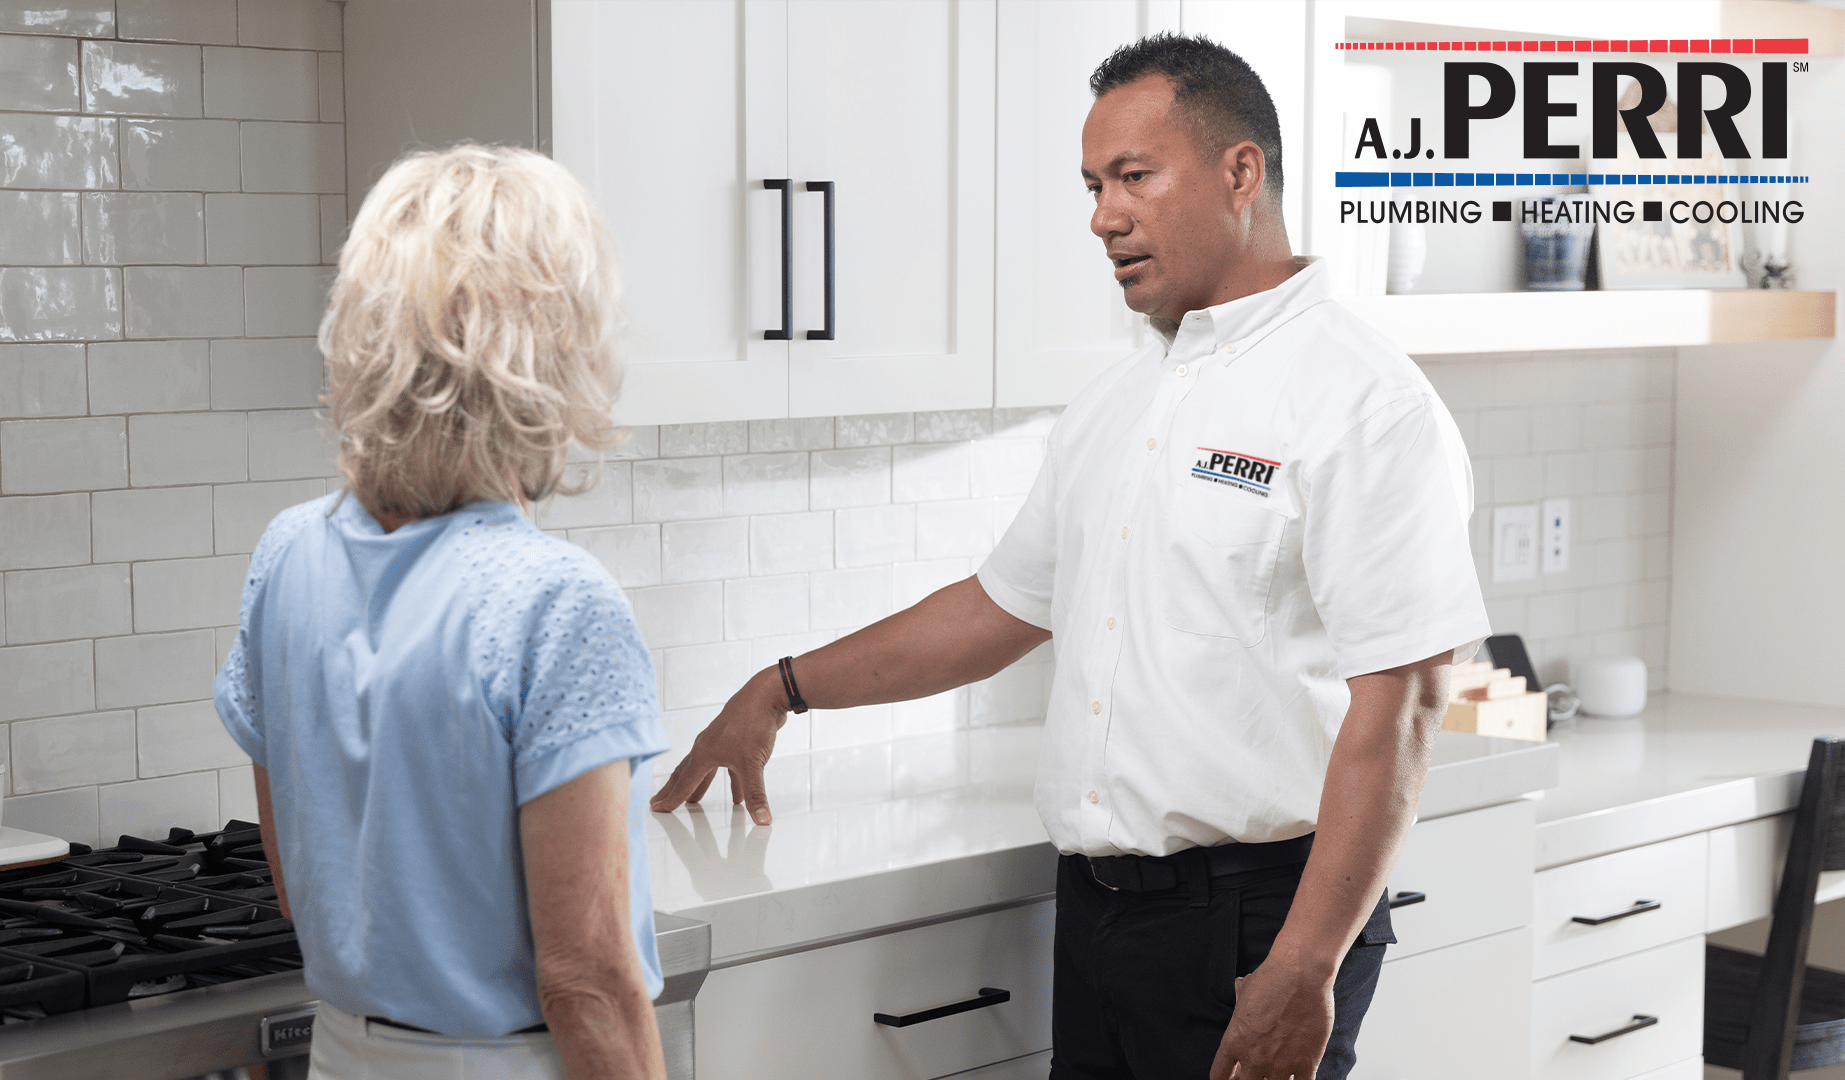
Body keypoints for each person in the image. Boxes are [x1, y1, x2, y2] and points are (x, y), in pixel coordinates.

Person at [649, 33, 1489, 1080]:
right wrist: (781, 689)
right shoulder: (1118, 404)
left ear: (1241, 173)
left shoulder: (1365, 400)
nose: (1103, 216)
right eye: (1094, 186)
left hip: (1257, 924)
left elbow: (1403, 702)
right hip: (1095, 916)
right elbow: (995, 610)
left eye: (1135, 177)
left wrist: (1307, 963)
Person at [214, 143, 669, 1080]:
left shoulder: (289, 554)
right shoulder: (556, 603)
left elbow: (302, 890)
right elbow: (586, 981)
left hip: (342, 1054)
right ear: (554, 346)